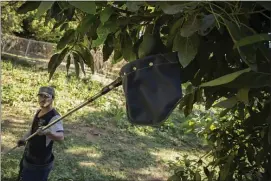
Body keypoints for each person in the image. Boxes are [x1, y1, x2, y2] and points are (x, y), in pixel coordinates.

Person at [16, 86, 64, 181]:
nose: (42, 99)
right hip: (29, 154)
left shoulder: (54, 117)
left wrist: (48, 132)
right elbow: (32, 130)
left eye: (46, 97)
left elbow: (61, 137)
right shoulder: (38, 111)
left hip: (40, 161)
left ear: (52, 98)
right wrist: (24, 139)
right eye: (40, 96)